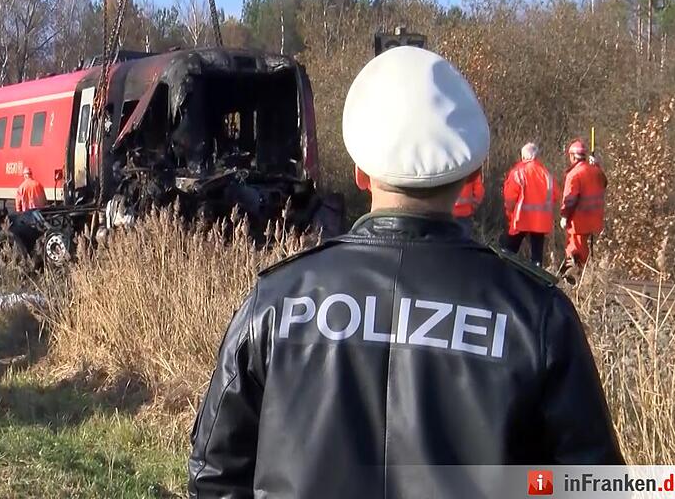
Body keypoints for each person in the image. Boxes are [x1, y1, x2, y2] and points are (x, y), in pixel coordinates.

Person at [188, 47, 623, 498]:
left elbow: (214, 474)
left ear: (360, 172)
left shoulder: (276, 302)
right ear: (472, 174)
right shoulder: (536, 315)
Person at [500, 142, 557, 267]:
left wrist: (510, 215)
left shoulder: (518, 172)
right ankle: (536, 279)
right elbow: (554, 196)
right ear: (536, 156)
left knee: (507, 252)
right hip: (540, 222)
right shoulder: (546, 174)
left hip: (521, 219)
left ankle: (505, 274)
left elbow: (510, 199)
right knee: (537, 259)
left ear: (523, 156)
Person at [560, 139, 608, 274]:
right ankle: (584, 276)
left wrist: (564, 215)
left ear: (573, 156)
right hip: (594, 219)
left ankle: (577, 278)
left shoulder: (574, 174)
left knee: (575, 251)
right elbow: (604, 183)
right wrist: (597, 166)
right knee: (583, 250)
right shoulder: (595, 171)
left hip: (578, 221)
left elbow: (570, 198)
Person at [451, 169, 484, 234]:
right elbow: (479, 192)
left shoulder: (443, 165)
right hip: (464, 214)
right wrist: (474, 205)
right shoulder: (470, 167)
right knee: (463, 241)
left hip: (445, 213)